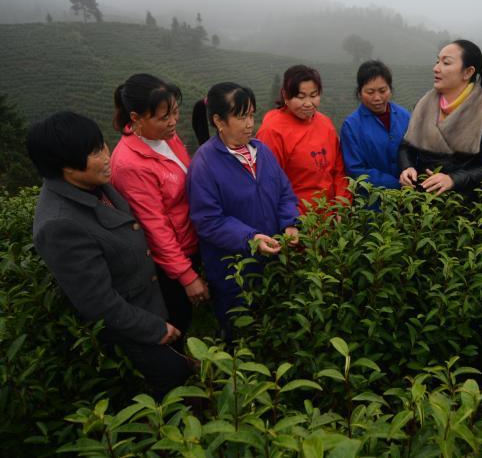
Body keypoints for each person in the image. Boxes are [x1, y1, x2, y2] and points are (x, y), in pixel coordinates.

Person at [29, 112, 191, 400]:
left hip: (154, 300)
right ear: (65, 166)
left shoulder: (92, 184)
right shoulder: (59, 224)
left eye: (102, 144)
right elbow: (97, 301)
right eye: (94, 152)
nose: (106, 155)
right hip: (134, 326)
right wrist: (153, 329)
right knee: (172, 382)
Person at [188, 83, 299, 341]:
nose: (250, 123)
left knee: (272, 327)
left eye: (251, 114)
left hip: (271, 261)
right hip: (233, 271)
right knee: (239, 333)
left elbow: (284, 191)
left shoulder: (262, 151)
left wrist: (290, 223)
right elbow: (209, 221)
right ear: (219, 121)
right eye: (241, 116)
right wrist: (251, 238)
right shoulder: (204, 164)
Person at [111, 74, 209, 344]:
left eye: (174, 113)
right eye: (164, 117)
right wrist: (187, 276)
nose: (173, 122)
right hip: (171, 260)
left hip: (192, 240)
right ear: (136, 117)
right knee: (179, 321)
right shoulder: (130, 165)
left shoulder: (167, 137)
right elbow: (155, 228)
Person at [398, 39, 482, 197]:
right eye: (437, 61)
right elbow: (407, 147)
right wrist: (407, 167)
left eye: (446, 63)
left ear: (468, 72)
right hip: (421, 197)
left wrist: (452, 180)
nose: (436, 68)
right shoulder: (424, 105)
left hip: (462, 205)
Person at [257, 65, 351, 214]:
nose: (308, 103)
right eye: (300, 97)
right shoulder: (272, 131)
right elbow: (270, 185)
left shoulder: (325, 123)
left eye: (314, 95)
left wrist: (341, 205)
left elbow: (339, 171)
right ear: (285, 95)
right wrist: (289, 221)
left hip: (331, 219)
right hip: (298, 222)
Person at [340, 60, 411, 189]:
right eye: (370, 92)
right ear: (360, 93)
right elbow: (355, 169)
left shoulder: (404, 116)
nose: (377, 98)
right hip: (372, 200)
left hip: (408, 197)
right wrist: (396, 184)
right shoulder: (351, 126)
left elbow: (414, 152)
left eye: (382, 91)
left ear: (390, 89)